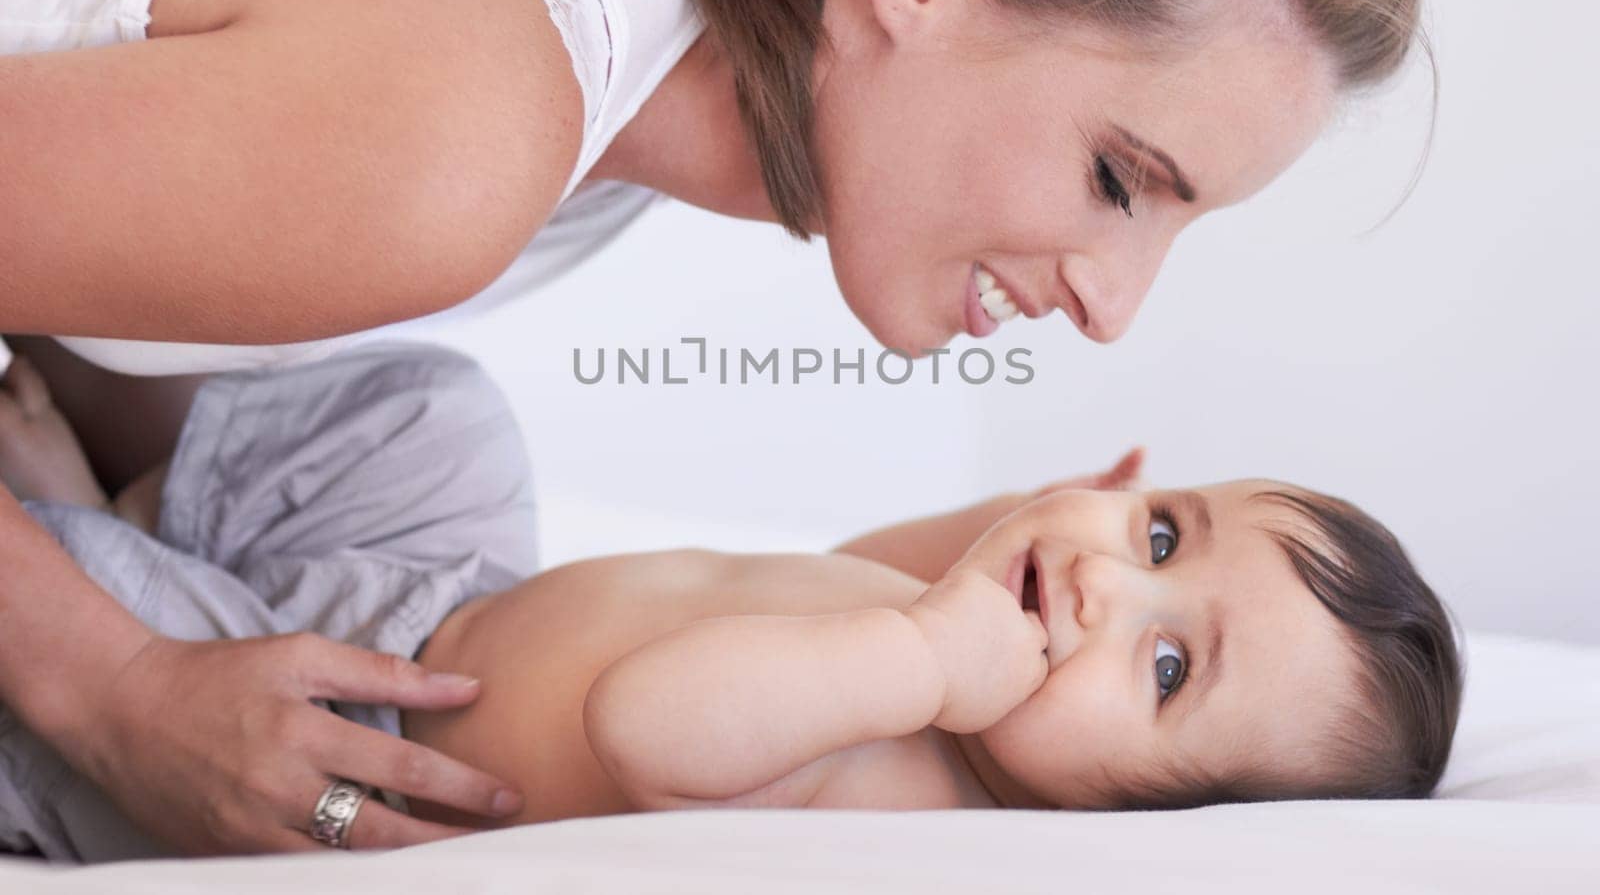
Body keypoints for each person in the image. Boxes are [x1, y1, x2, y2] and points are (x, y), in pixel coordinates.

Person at [0, 0, 1427, 855]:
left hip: (386, 592)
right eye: (1119, 180)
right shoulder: (453, 134)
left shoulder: (600, 91)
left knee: (420, 425)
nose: (1116, 308)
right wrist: (107, 682)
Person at [0, 344, 1461, 859]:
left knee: (120, 619)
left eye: (1161, 668)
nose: (1100, 579)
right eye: (1159, 533)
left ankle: (76, 534)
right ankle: (114, 500)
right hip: (446, 601)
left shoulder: (921, 785)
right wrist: (952, 564)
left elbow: (655, 725)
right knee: (446, 419)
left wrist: (920, 653)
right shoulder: (947, 662)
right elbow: (833, 571)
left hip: (323, 733)